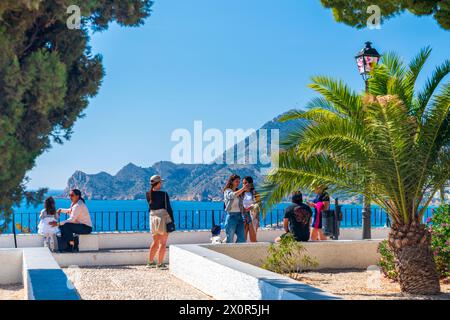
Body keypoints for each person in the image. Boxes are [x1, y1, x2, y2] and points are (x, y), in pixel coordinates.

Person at [146, 175, 174, 270]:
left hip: (152, 219)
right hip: (162, 219)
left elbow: (150, 208)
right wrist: (172, 221)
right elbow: (169, 209)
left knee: (155, 242)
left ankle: (150, 262)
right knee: (163, 243)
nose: (162, 183)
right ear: (158, 183)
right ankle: (160, 264)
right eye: (161, 182)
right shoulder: (164, 194)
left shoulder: (148, 194)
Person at [223, 174, 247, 244]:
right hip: (231, 216)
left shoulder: (238, 192)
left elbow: (241, 204)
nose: (238, 183)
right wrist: (243, 189)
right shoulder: (227, 191)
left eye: (239, 182)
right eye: (236, 181)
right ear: (231, 181)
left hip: (239, 216)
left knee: (242, 239)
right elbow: (231, 195)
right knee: (229, 239)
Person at [242, 176, 261, 242]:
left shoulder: (255, 193)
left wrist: (251, 207)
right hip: (243, 216)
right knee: (243, 237)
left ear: (250, 183)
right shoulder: (241, 193)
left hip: (253, 216)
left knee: (253, 238)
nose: (244, 185)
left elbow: (259, 204)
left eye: (245, 183)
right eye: (243, 183)